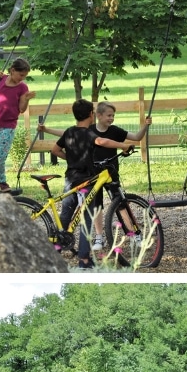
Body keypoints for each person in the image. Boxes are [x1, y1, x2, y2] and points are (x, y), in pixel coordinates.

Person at [40, 102, 151, 251]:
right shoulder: (88, 130)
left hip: (109, 172)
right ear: (96, 115)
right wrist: (46, 129)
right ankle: (97, 238)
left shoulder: (115, 131)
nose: (111, 118)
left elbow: (137, 137)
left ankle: (133, 234)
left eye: (113, 115)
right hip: (92, 174)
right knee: (95, 206)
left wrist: (145, 125)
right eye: (109, 115)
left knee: (120, 203)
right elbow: (67, 134)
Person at [52, 99, 137, 269]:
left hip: (70, 178)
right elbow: (102, 141)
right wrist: (123, 146)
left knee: (65, 216)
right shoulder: (87, 133)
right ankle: (84, 260)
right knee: (86, 219)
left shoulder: (69, 131)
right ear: (91, 115)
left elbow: (54, 150)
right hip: (86, 181)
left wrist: (69, 159)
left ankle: (55, 253)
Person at [0, 57, 36, 196]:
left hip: (8, 126)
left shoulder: (22, 87)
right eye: (21, 75)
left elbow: (22, 109)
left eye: (25, 76)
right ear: (12, 70)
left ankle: (2, 182)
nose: (22, 78)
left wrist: (26, 100)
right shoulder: (1, 80)